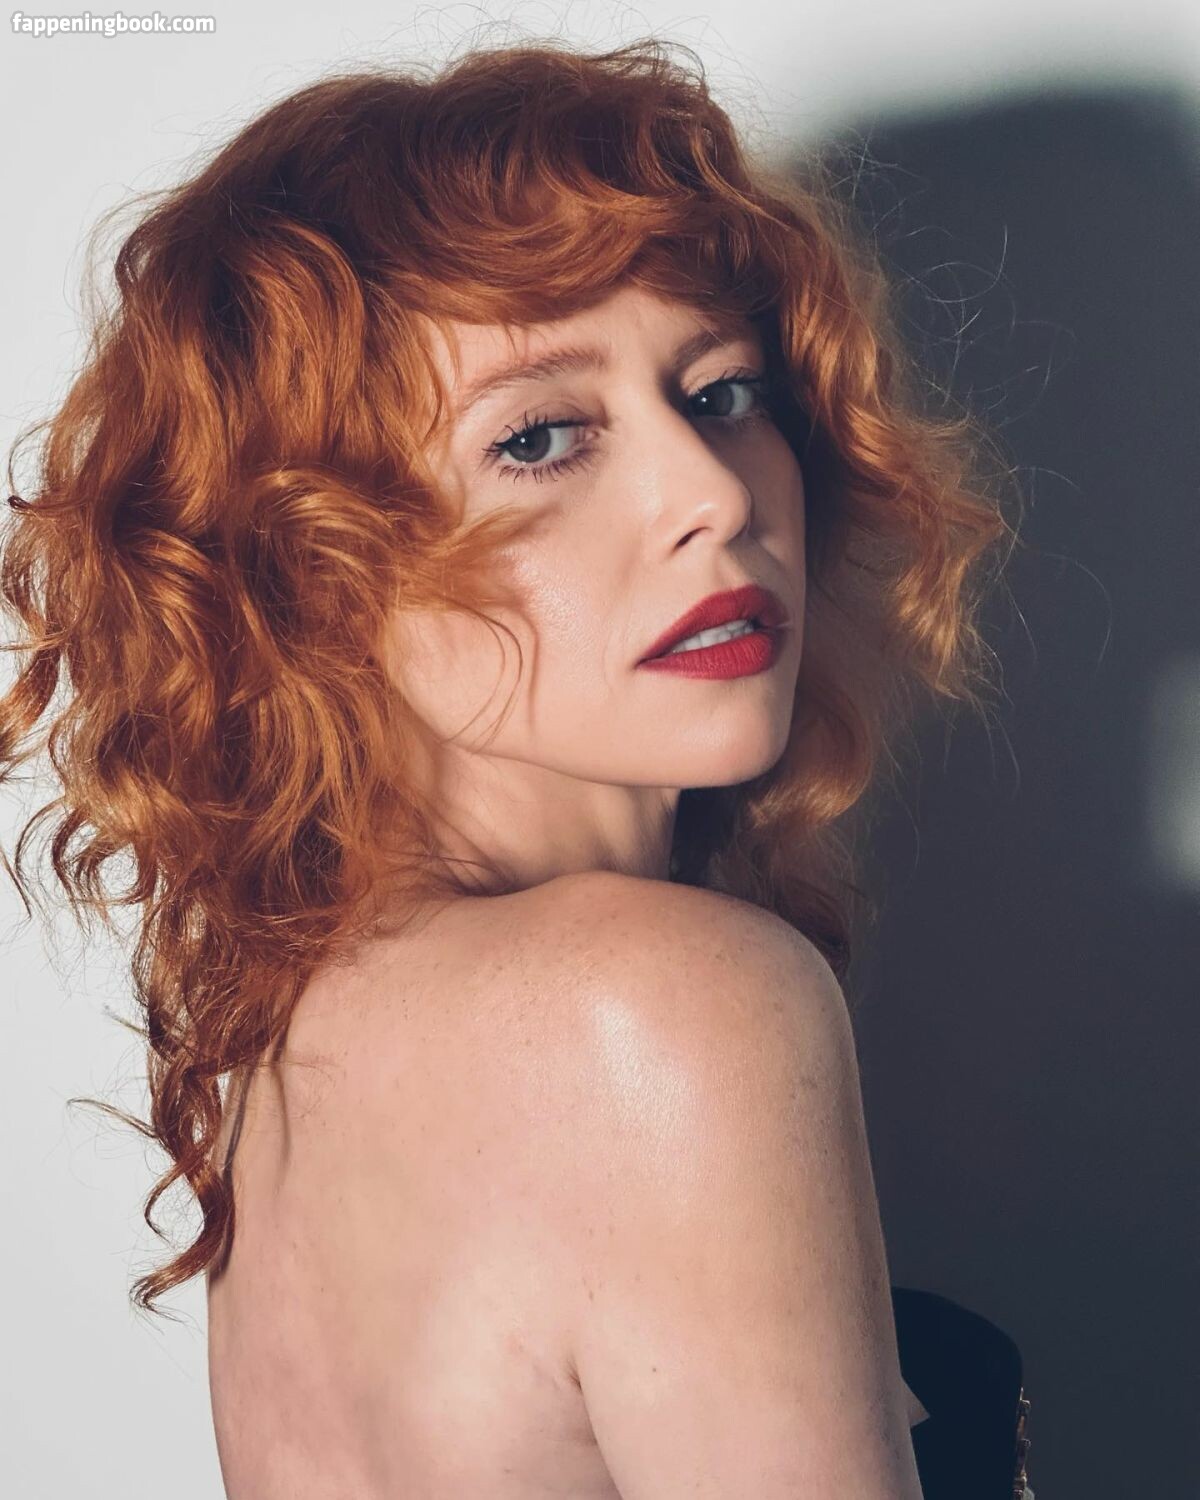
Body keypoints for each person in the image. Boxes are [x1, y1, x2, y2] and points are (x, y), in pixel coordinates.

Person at [0, 35, 1034, 1499]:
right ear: (311, 569)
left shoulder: (298, 1047)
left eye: (722, 392)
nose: (708, 491)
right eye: (542, 438)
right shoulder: (659, 1011)